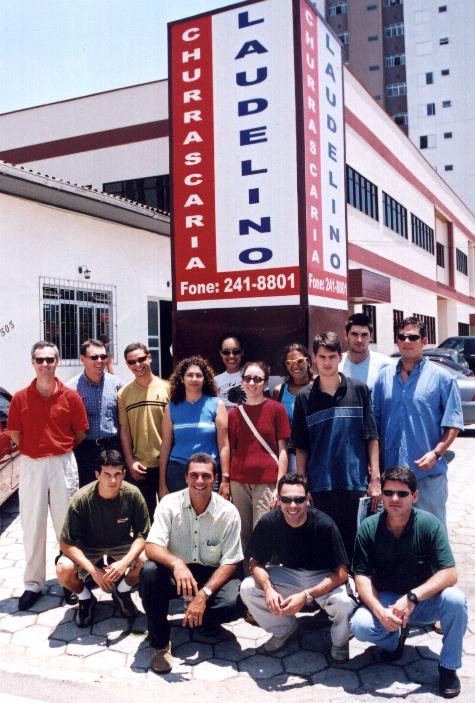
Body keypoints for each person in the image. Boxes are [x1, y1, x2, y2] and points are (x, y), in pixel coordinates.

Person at [350, 466, 467, 699]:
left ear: (415, 496)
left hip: (422, 602)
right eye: (389, 492)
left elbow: (450, 573)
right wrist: (379, 612)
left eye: (402, 494)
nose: (395, 499)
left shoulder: (429, 525)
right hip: (388, 601)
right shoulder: (368, 527)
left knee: (456, 600)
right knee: (360, 625)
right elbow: (361, 576)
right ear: (381, 495)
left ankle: (448, 667)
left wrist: (413, 596)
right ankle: (394, 641)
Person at [140, 453, 243, 674]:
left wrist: (203, 594)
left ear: (215, 479)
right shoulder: (169, 504)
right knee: (149, 573)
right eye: (194, 475)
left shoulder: (229, 512)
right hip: (177, 574)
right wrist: (177, 564)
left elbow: (232, 562)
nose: (199, 481)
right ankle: (159, 644)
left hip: (209, 574)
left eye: (206, 476)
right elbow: (151, 547)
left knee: (236, 602)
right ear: (185, 477)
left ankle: (202, 617)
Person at [7, 341, 89, 610]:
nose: (45, 365)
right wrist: (35, 451)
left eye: (50, 360)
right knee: (32, 524)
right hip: (31, 464)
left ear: (57, 362)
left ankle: (70, 580)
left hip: (63, 463)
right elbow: (15, 434)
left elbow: (80, 433)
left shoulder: (71, 397)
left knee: (66, 525)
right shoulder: (19, 398)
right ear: (32, 363)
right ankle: (33, 583)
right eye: (40, 360)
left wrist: (58, 450)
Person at [240, 473, 355, 659]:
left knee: (344, 603)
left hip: (323, 575)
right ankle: (285, 629)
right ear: (278, 499)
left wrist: (305, 596)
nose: (292, 506)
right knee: (247, 587)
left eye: (299, 500)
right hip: (289, 574)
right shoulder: (269, 522)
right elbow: (256, 563)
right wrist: (268, 589)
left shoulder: (324, 524)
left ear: (308, 499)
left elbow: (342, 574)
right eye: (287, 499)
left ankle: (340, 642)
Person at [292, 332, 381, 562]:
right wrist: (302, 485)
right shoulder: (304, 398)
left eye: (332, 356)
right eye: (322, 357)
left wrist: (375, 479)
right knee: (324, 549)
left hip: (355, 484)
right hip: (321, 485)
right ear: (314, 358)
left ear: (340, 357)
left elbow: (371, 436)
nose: (327, 362)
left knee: (357, 547)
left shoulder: (360, 390)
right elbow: (301, 447)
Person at [372, 316, 463, 528]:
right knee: (394, 536)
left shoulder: (443, 378)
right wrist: (374, 470)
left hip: (427, 476)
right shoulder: (383, 378)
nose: (407, 341)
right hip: (391, 478)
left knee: (431, 533)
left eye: (413, 337)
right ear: (396, 340)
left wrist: (436, 453)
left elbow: (453, 423)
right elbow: (373, 426)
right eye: (402, 337)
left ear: (424, 340)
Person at [56, 448, 150, 626]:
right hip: (88, 546)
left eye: (117, 474)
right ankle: (85, 598)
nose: (113, 480)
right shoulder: (81, 498)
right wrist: (93, 571)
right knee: (63, 569)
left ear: (123, 474)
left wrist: (124, 563)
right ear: (97, 474)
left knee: (147, 559)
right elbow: (66, 542)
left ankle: (122, 591)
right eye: (107, 474)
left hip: (121, 543)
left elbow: (143, 535)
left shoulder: (133, 494)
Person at [227, 361, 290, 561]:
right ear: (242, 381)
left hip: (267, 481)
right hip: (239, 481)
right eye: (247, 378)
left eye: (257, 379)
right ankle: (248, 581)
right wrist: (227, 481)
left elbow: (282, 450)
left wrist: (280, 485)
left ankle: (264, 582)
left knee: (263, 532)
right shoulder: (235, 413)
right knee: (243, 534)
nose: (252, 383)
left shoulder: (276, 409)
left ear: (265, 383)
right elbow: (233, 449)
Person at [158, 356, 229, 497]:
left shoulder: (217, 404)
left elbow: (224, 445)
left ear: (205, 379)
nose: (194, 379)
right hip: (178, 471)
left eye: (199, 375)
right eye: (189, 375)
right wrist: (162, 483)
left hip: (208, 471)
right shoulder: (171, 408)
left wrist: (225, 479)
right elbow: (165, 445)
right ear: (182, 379)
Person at [118, 343, 170, 517]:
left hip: (167, 464)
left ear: (149, 357)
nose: (137, 365)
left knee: (169, 518)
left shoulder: (168, 388)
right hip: (141, 467)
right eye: (132, 362)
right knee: (144, 520)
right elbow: (124, 430)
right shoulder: (124, 394)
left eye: (141, 359)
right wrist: (130, 460)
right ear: (127, 364)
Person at [67, 338, 123, 487]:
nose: (100, 360)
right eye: (94, 357)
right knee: (88, 492)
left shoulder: (117, 384)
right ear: (82, 359)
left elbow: (124, 421)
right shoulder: (71, 388)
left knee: (114, 492)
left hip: (114, 447)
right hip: (86, 450)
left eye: (103, 357)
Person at [272, 344, 314, 471]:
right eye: (290, 362)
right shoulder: (279, 391)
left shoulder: (319, 387)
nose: (295, 366)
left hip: (316, 452)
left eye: (300, 361)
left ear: (309, 361)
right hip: (291, 455)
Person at [339, 312, 392, 390]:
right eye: (354, 334)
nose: (359, 340)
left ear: (371, 336)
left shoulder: (386, 365)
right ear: (346, 335)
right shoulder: (336, 363)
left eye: (364, 335)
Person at [214, 333, 245, 409]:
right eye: (226, 352)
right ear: (221, 353)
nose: (231, 356)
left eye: (236, 351)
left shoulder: (252, 376)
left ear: (242, 352)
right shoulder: (215, 380)